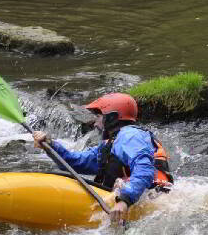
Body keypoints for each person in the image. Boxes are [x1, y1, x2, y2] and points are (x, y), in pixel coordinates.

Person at [32, 93, 173, 223]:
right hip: (134, 199)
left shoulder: (130, 136)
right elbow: (75, 162)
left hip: (149, 201)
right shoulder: (111, 143)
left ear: (112, 117)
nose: (95, 123)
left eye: (98, 117)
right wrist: (50, 145)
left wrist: (124, 201)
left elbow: (144, 170)